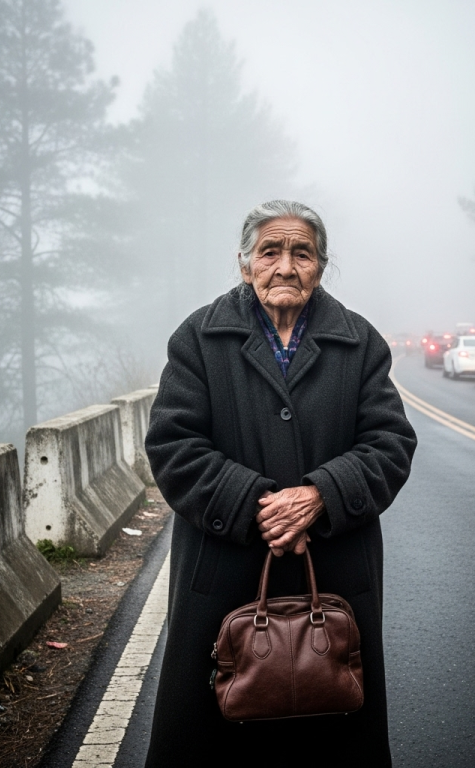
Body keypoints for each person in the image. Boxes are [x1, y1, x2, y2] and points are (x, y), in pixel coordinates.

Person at [144, 200, 417, 766]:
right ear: (245, 265)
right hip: (225, 573)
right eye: (270, 251)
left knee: (332, 730)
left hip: (336, 571)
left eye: (302, 253)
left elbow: (391, 443)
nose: (286, 267)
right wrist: (257, 504)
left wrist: (320, 496)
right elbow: (174, 445)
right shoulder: (198, 338)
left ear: (321, 266)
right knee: (214, 736)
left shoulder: (360, 342)